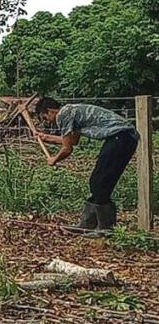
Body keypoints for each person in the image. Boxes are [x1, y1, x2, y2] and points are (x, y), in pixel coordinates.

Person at [35, 97, 139, 232]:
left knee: (99, 181)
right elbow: (73, 141)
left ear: (49, 111)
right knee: (99, 181)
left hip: (120, 137)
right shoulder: (72, 111)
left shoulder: (63, 114)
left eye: (45, 118)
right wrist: (46, 137)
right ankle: (89, 225)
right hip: (123, 137)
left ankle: (104, 229)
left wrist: (54, 159)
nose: (48, 122)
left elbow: (67, 149)